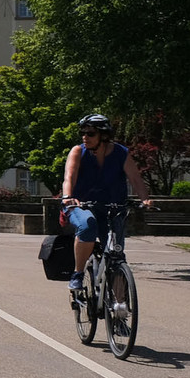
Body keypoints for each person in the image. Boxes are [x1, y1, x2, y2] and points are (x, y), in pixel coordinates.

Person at [61, 113, 152, 293]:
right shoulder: (78, 151)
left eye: (90, 133)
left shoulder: (120, 153)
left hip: (112, 207)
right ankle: (78, 274)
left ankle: (120, 308)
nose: (85, 137)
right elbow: (68, 177)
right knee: (88, 226)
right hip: (80, 205)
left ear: (103, 135)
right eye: (83, 133)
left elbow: (135, 179)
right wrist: (67, 196)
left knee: (116, 257)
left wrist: (145, 199)